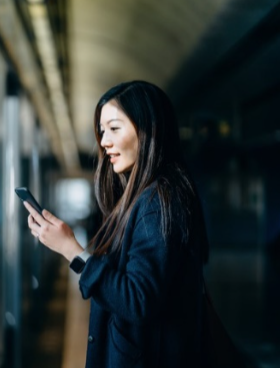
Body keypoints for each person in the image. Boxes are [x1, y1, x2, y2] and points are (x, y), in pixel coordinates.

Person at [23, 80, 209, 368]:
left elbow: (136, 299)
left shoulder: (157, 201)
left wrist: (73, 251)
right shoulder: (148, 196)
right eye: (101, 131)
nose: (104, 141)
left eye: (114, 128)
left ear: (148, 130)